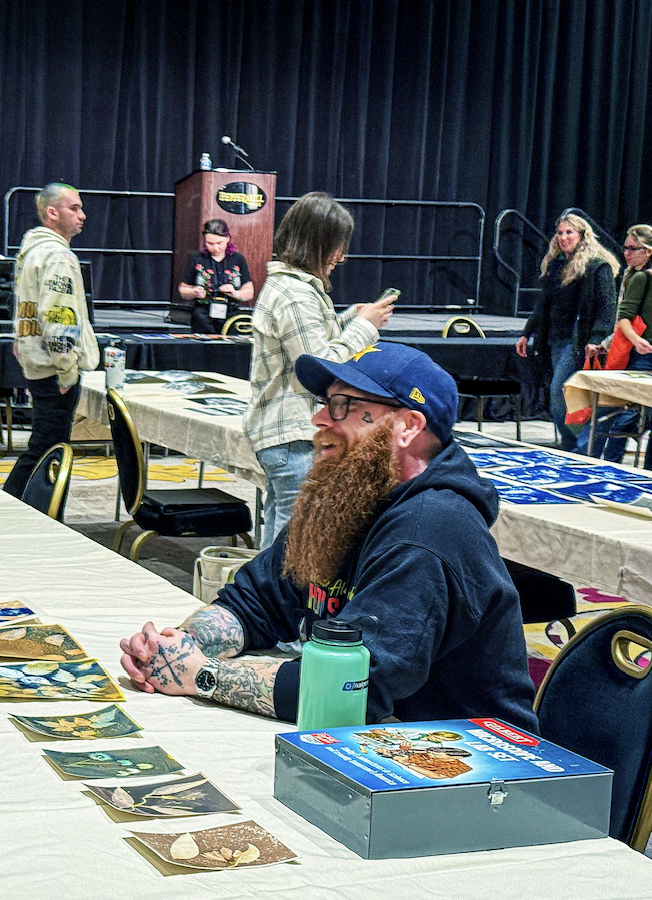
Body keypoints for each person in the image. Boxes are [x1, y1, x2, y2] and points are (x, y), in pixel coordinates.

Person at [120, 342, 538, 730]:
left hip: (469, 773)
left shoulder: (428, 533)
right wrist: (178, 646)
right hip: (382, 747)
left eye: (344, 406)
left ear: (408, 426)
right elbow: (258, 602)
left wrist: (202, 674)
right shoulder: (346, 499)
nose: (320, 419)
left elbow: (352, 688)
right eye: (323, 403)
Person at [245, 191, 395, 542]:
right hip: (291, 436)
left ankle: (267, 597)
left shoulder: (293, 288)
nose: (340, 257)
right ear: (316, 243)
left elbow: (309, 346)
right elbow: (321, 368)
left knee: (281, 535)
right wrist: (365, 328)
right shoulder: (295, 295)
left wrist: (348, 319)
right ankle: (272, 599)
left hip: (287, 435)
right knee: (289, 543)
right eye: (335, 246)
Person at [2, 183, 99, 497]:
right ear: (52, 213)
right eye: (74, 208)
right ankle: (26, 509)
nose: (82, 215)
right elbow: (58, 317)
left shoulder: (32, 251)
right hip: (54, 368)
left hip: (38, 361)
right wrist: (67, 370)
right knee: (49, 448)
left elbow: (24, 307)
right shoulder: (57, 256)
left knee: (45, 443)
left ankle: (21, 507)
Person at [516, 209, 619, 451]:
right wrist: (526, 332)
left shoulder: (597, 266)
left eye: (569, 232)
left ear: (583, 235)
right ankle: (573, 444)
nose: (563, 237)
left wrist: (597, 338)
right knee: (561, 395)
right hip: (555, 339)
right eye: (560, 233)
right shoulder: (557, 264)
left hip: (578, 342)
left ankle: (578, 446)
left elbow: (607, 307)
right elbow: (544, 304)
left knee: (559, 393)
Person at [576, 224, 652, 461]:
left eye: (633, 248)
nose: (626, 253)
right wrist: (635, 341)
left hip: (640, 351)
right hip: (643, 355)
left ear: (648, 251)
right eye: (625, 248)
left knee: (634, 415)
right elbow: (625, 320)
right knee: (626, 413)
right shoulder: (638, 277)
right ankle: (607, 461)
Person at [177, 218, 255, 333]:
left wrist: (235, 293)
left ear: (228, 238)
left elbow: (249, 292)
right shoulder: (196, 258)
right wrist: (194, 291)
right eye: (210, 243)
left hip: (230, 314)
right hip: (203, 316)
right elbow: (183, 290)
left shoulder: (238, 259)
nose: (216, 248)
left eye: (219, 243)